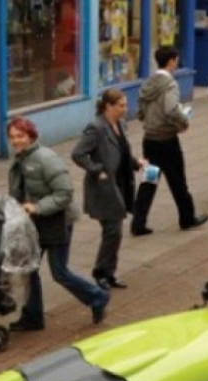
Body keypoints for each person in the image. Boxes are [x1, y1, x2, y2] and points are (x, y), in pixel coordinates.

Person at [6, 117, 109, 331]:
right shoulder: (20, 159)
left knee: (59, 271)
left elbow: (65, 193)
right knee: (29, 267)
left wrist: (37, 207)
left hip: (58, 220)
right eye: (13, 137)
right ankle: (33, 316)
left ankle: (97, 297)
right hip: (35, 221)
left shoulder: (46, 159)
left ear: (31, 136)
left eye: (21, 136)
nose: (16, 141)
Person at [72, 89, 146, 290]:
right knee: (112, 230)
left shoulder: (120, 124)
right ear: (108, 106)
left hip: (121, 184)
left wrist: (135, 163)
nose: (125, 109)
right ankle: (101, 273)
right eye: (121, 105)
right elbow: (78, 154)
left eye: (125, 105)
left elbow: (122, 151)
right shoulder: (96, 127)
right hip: (105, 187)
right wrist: (97, 170)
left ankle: (109, 272)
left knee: (115, 233)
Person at [131, 46, 208, 236]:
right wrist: (184, 121)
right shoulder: (170, 85)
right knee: (178, 180)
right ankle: (187, 218)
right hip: (167, 140)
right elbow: (171, 109)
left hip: (149, 139)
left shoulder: (147, 83)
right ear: (172, 61)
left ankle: (138, 222)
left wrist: (148, 120)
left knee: (149, 179)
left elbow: (140, 109)